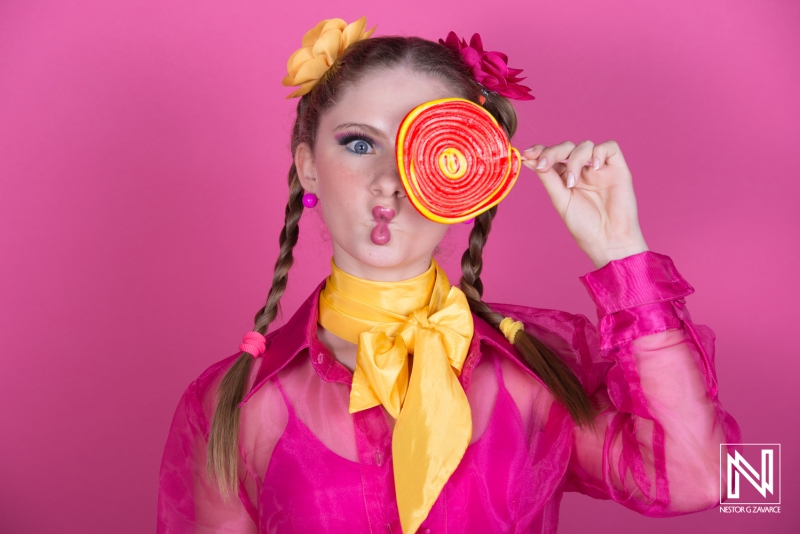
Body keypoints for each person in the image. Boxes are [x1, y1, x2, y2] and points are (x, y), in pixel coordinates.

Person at [157, 16, 741, 534]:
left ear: (473, 175)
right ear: (308, 166)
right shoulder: (235, 406)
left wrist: (622, 254)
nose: (389, 181)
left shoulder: (533, 380)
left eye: (427, 148)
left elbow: (698, 478)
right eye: (359, 143)